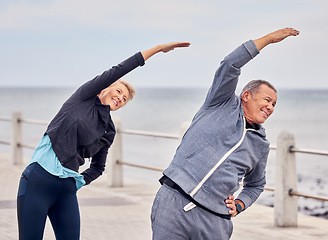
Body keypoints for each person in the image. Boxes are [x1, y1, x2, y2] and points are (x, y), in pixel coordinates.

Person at [16, 41, 190, 240]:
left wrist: (78, 181)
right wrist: (158, 49)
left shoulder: (108, 129)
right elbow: (120, 69)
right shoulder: (83, 99)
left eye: (124, 99)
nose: (120, 98)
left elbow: (98, 167)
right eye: (118, 91)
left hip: (65, 191)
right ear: (105, 88)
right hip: (38, 179)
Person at [151, 28, 299, 240]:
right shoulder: (220, 103)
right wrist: (267, 40)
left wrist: (239, 204)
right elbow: (230, 64)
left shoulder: (260, 144)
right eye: (267, 100)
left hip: (215, 221)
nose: (271, 107)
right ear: (246, 95)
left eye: (274, 104)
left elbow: (255, 184)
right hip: (174, 203)